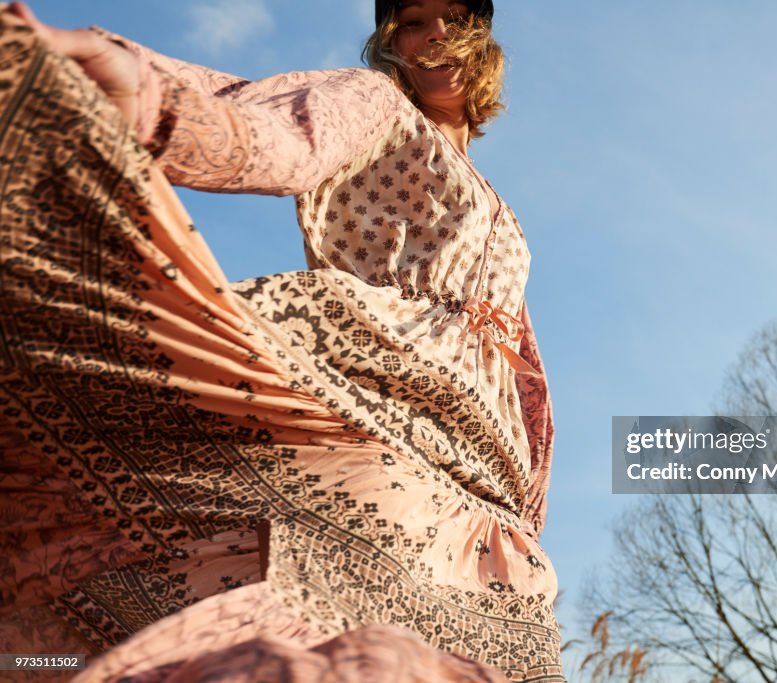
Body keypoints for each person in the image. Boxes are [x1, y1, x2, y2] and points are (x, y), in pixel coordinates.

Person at [0, 1, 561, 680]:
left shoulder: (498, 205)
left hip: (484, 474)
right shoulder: (377, 105)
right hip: (379, 396)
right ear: (394, 44)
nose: (435, 32)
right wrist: (141, 95)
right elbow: (269, 128)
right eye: (412, 21)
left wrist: (531, 489)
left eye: (451, 14)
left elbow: (520, 364)